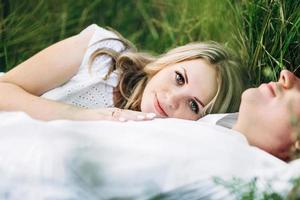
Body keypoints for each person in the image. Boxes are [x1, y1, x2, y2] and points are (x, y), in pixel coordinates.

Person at [0, 24, 245, 122]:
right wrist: (85, 117)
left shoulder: (168, 142)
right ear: (168, 63)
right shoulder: (104, 53)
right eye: (179, 78)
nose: (171, 100)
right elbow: (3, 90)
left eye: (193, 105)